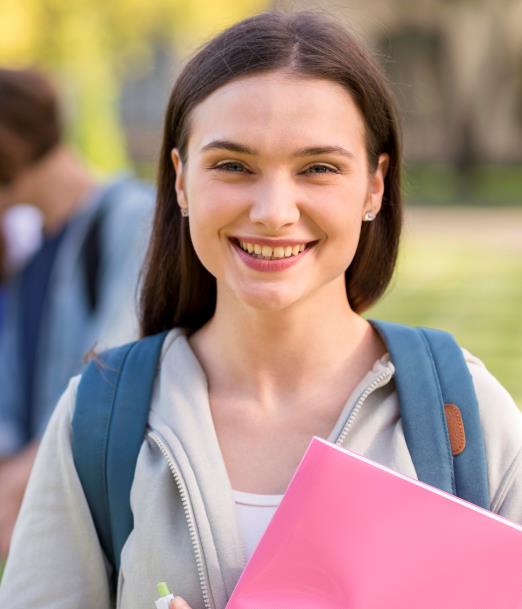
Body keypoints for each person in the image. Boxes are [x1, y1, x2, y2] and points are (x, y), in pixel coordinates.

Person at [1, 11, 521, 609]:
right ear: (180, 181)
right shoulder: (97, 419)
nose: (274, 210)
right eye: (233, 166)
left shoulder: (465, 415)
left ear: (375, 186)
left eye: (318, 168)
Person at [0, 68, 154, 559]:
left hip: (98, 514)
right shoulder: (32, 248)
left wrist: (25, 475)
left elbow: (110, 363)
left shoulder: (130, 217)